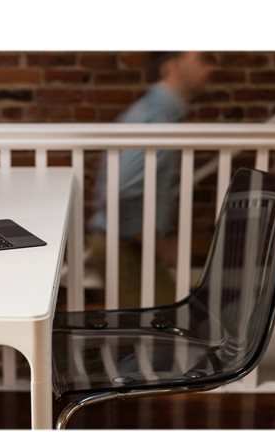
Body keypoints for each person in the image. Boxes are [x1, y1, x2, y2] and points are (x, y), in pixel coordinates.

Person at [87, 51, 217, 308]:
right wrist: (158, 242)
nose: (211, 68)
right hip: (123, 246)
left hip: (128, 244)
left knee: (169, 321)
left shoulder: (162, 113)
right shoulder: (156, 117)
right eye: (202, 59)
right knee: (167, 325)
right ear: (170, 67)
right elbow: (122, 189)